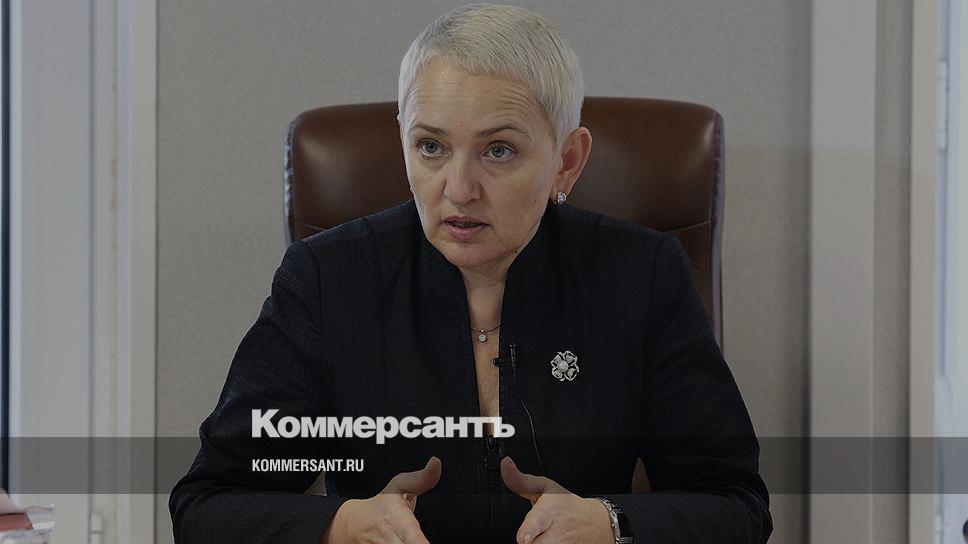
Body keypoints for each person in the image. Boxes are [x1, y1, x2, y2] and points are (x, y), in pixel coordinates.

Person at [169, 4, 773, 543]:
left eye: (498, 150)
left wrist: (609, 524)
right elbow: (209, 505)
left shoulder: (640, 276)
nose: (459, 189)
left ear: (567, 161)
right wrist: (344, 526)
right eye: (431, 147)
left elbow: (734, 504)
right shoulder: (327, 279)